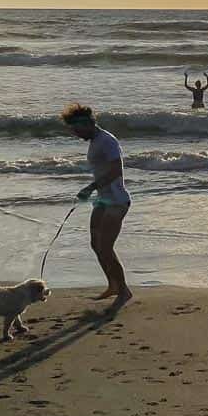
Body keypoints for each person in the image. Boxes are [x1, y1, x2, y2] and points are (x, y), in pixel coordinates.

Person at [61, 103, 133, 307]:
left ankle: (124, 290)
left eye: (76, 129)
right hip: (102, 200)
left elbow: (116, 171)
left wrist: (90, 187)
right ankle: (113, 285)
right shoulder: (94, 141)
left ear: (87, 123)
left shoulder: (107, 141)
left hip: (117, 201)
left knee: (106, 247)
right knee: (95, 244)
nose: (75, 134)